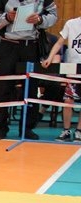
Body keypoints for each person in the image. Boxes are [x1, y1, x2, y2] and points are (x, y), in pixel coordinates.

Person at [0, 0, 58, 140]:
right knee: (3, 88)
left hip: (32, 46)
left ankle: (27, 128)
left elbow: (54, 16)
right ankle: (0, 128)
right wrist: (7, 17)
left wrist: (40, 20)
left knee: (31, 88)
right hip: (8, 46)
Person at [41, 10, 81, 141]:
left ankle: (79, 131)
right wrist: (50, 57)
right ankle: (66, 130)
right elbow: (59, 43)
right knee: (68, 101)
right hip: (73, 69)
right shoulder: (71, 23)